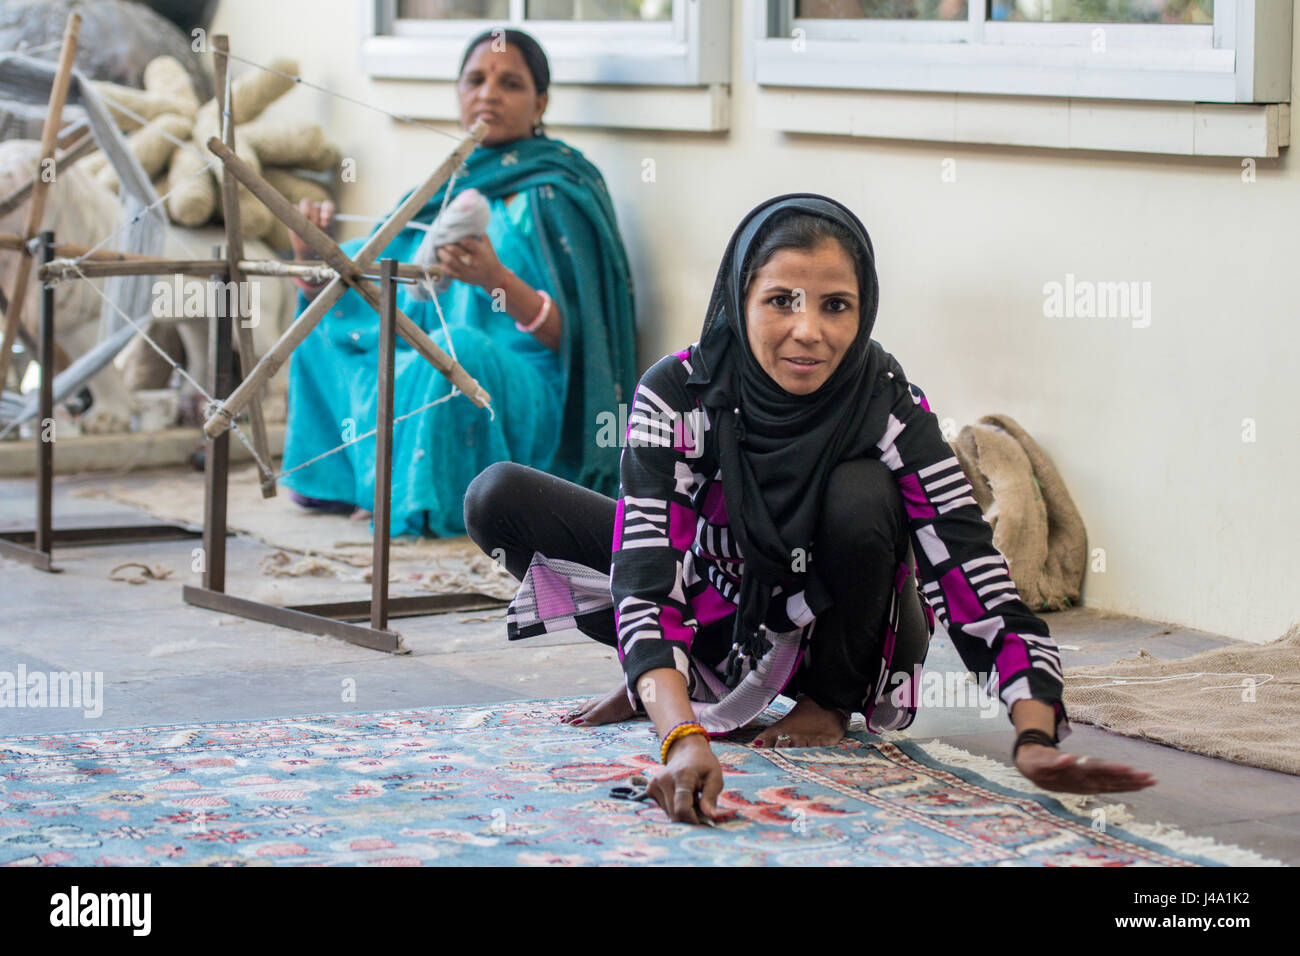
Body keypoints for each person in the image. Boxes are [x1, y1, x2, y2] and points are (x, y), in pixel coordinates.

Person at [465, 193, 1156, 825]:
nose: (808, 331)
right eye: (781, 301)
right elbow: (647, 570)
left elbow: (971, 571)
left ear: (864, 309)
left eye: (835, 305)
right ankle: (676, 678)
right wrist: (676, 726)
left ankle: (829, 698)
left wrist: (1034, 734)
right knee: (500, 499)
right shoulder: (678, 392)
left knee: (861, 494)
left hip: (840, 627)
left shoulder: (885, 401)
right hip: (721, 606)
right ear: (742, 299)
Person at [280, 28, 636, 536]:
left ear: (540, 103)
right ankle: (349, 484)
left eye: (509, 83)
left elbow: (583, 343)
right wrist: (317, 263)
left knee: (454, 350)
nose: (488, 93)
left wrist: (495, 279)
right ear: (458, 94)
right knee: (320, 317)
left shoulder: (562, 190)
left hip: (535, 390)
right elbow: (377, 282)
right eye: (475, 80)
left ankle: (414, 495)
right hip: (440, 348)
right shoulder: (445, 188)